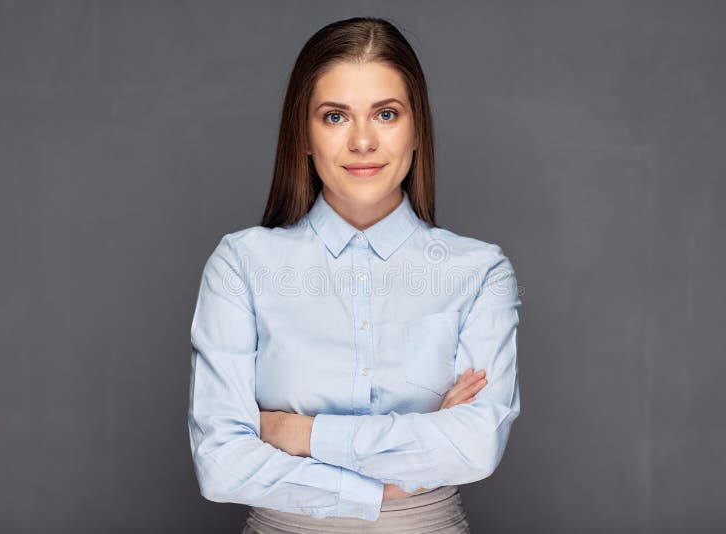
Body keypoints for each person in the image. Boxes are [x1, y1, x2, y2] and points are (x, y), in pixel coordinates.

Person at [187, 16, 522, 533]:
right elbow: (221, 464)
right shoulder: (241, 265)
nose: (363, 142)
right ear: (303, 134)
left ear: (417, 131)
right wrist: (387, 478)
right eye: (335, 117)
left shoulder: (478, 273)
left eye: (386, 114)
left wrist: (296, 434)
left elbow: (475, 448)